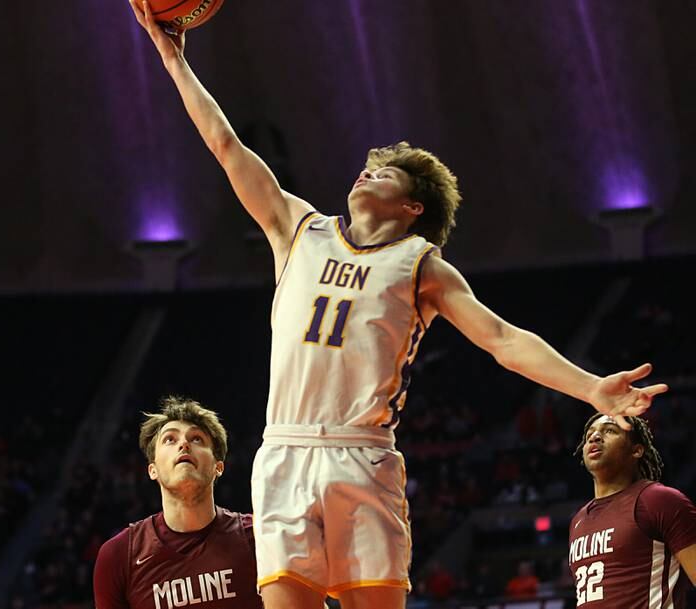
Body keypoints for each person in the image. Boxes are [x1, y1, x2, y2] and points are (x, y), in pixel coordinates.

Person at [128, 3, 669, 607]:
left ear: (414, 207)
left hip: (362, 454)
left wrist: (591, 388)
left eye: (382, 173)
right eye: (365, 167)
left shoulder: (421, 266)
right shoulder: (296, 227)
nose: (365, 173)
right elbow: (225, 146)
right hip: (283, 449)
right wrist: (173, 57)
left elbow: (503, 340)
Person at [93, 396, 262, 608]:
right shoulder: (118, 556)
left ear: (218, 467)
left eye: (197, 439)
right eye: (170, 439)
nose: (184, 444)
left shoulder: (259, 536)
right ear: (152, 470)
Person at [569, 414, 696, 607]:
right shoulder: (578, 520)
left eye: (610, 430)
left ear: (636, 450)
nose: (594, 437)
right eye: (589, 435)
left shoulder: (658, 500)